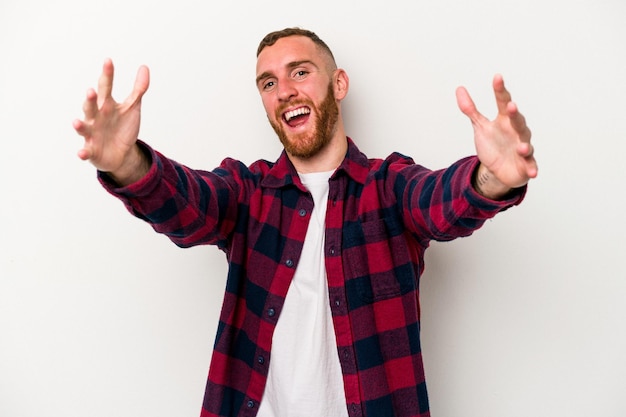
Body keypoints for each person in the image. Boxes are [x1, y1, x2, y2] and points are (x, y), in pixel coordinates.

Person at [73, 27, 537, 417]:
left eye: (300, 72)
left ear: (338, 84)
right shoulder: (247, 192)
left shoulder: (389, 185)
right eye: (268, 83)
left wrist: (492, 176)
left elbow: (441, 202)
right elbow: (188, 204)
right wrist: (128, 165)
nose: (285, 90)